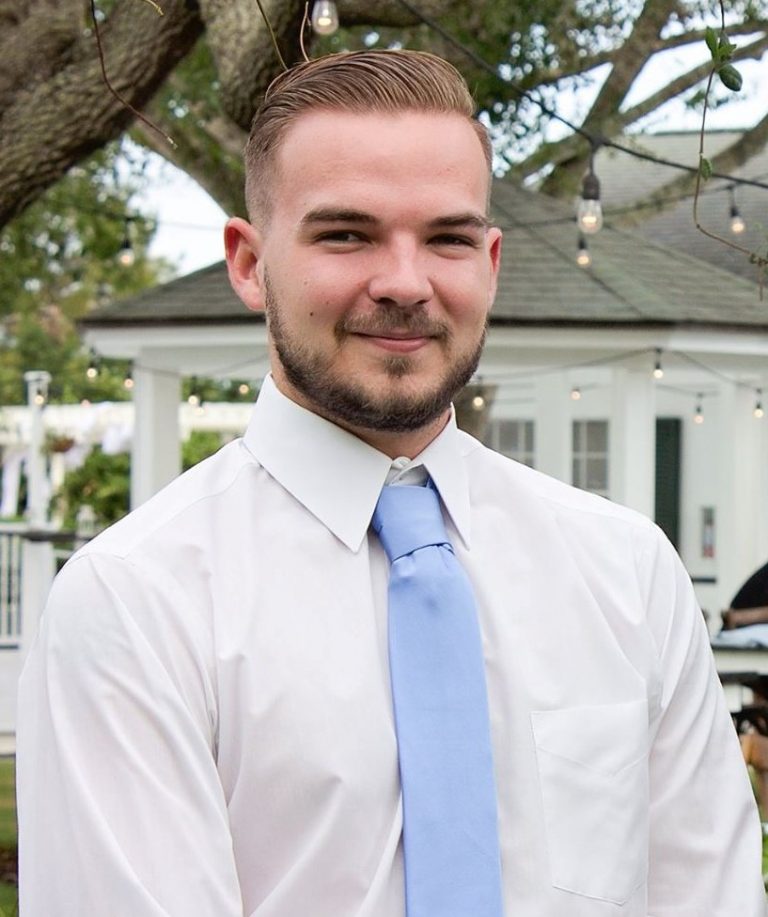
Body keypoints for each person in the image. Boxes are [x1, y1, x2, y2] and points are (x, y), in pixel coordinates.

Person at [16, 49, 765, 917]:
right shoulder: (137, 601)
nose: (405, 284)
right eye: (347, 234)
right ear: (250, 262)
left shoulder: (627, 571)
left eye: (446, 238)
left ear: (490, 261)